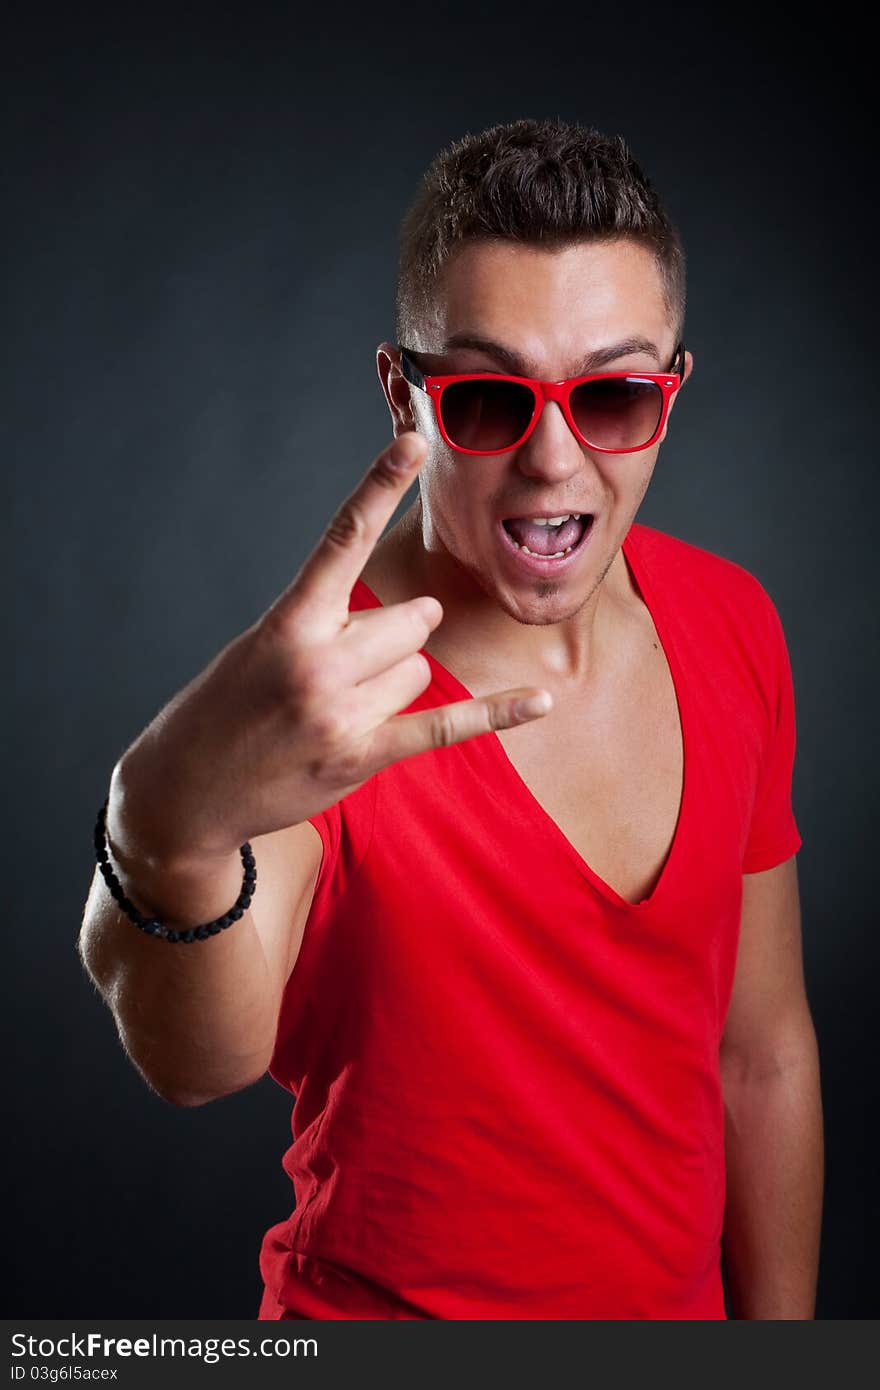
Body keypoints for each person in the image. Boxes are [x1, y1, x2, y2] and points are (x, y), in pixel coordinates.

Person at [78, 118, 824, 1320]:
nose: (550, 459)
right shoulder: (322, 698)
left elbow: (763, 1051)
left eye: (613, 395)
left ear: (670, 394)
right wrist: (164, 824)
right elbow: (195, 1060)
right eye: (485, 399)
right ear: (404, 395)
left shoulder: (734, 621)